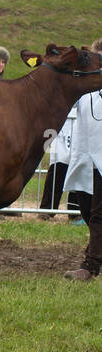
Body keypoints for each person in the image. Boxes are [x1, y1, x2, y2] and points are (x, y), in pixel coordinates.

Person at [62, 39, 102, 280]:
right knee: (87, 210)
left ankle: (90, 266)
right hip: (88, 158)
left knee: (98, 214)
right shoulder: (87, 89)